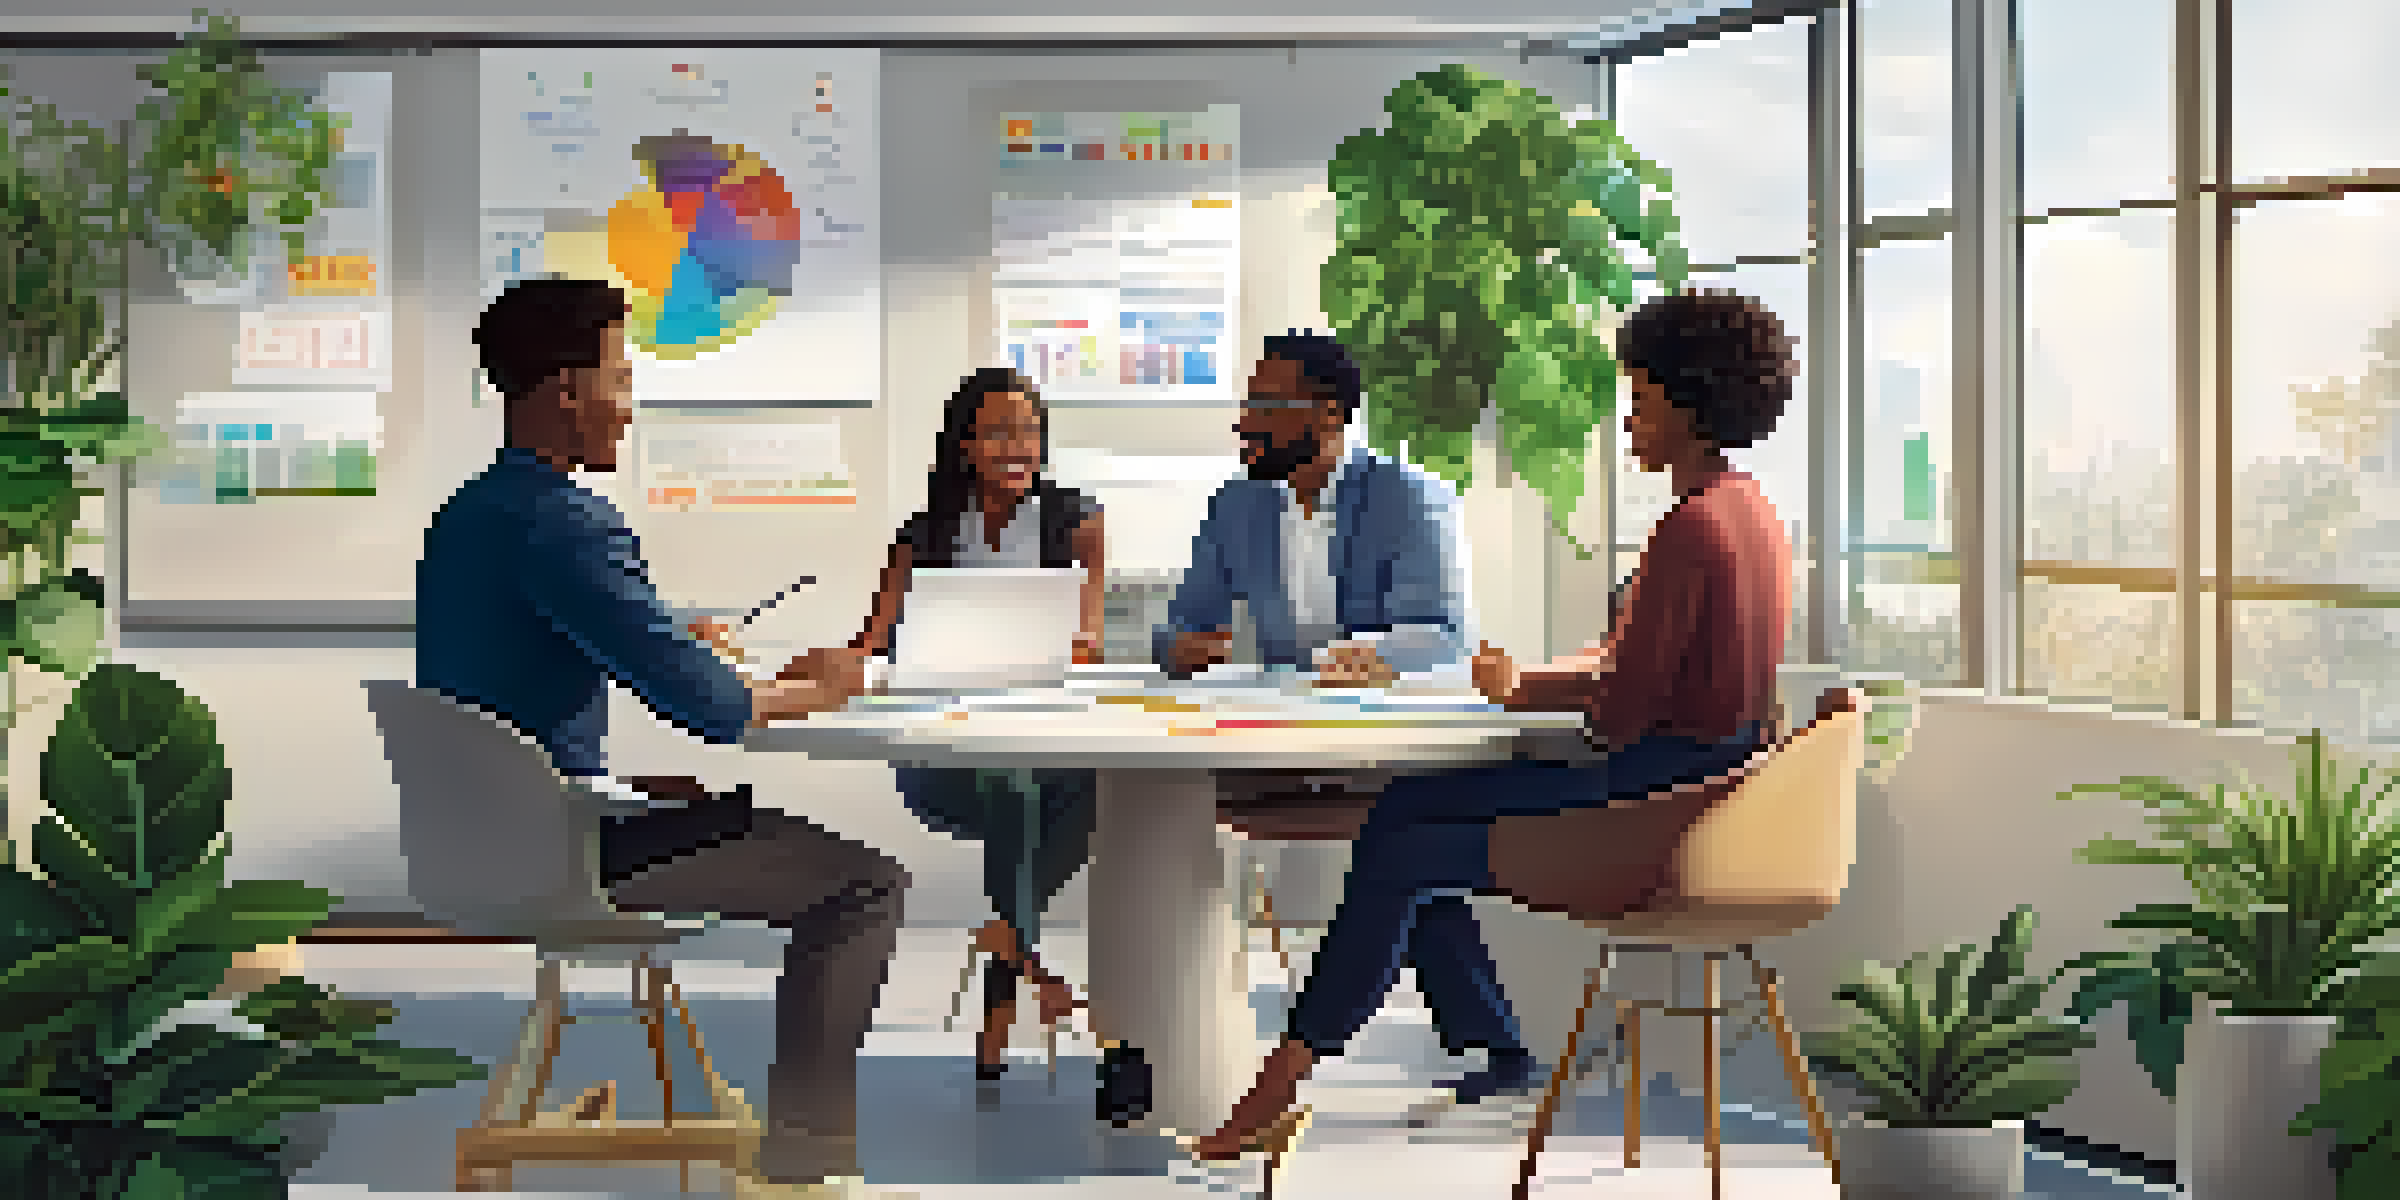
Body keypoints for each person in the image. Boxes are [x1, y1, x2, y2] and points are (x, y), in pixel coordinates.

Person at [1191, 288, 1798, 1164]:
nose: (1629, 419)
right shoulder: (1752, 513)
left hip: (1652, 805)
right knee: (1404, 816)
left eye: (1641, 399)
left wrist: (1521, 692)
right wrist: (1548, 680)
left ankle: (1281, 1083)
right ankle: (1321, 1071)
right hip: (1704, 787)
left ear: (1691, 403)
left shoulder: (1690, 527)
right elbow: (1646, 667)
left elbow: (1624, 711)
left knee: (1400, 833)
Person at [418, 276, 910, 1199]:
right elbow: (714, 710)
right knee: (862, 885)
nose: (629, 405)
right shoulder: (567, 525)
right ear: (568, 390)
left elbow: (538, 637)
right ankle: (804, 1169)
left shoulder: (472, 514)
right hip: (560, 851)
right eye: (621, 379)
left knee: (717, 812)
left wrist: (668, 634)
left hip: (488, 836)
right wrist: (829, 685)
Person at [846, 367, 1104, 1088]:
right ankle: (1018, 961)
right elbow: (871, 644)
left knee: (1076, 788)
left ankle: (1007, 958)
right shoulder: (922, 536)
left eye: (1028, 432)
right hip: (942, 756)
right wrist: (837, 668)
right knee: (1013, 788)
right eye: (998, 433)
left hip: (1039, 740)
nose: (1017, 447)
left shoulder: (1076, 522)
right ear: (964, 445)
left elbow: (1088, 638)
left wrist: (1068, 645)